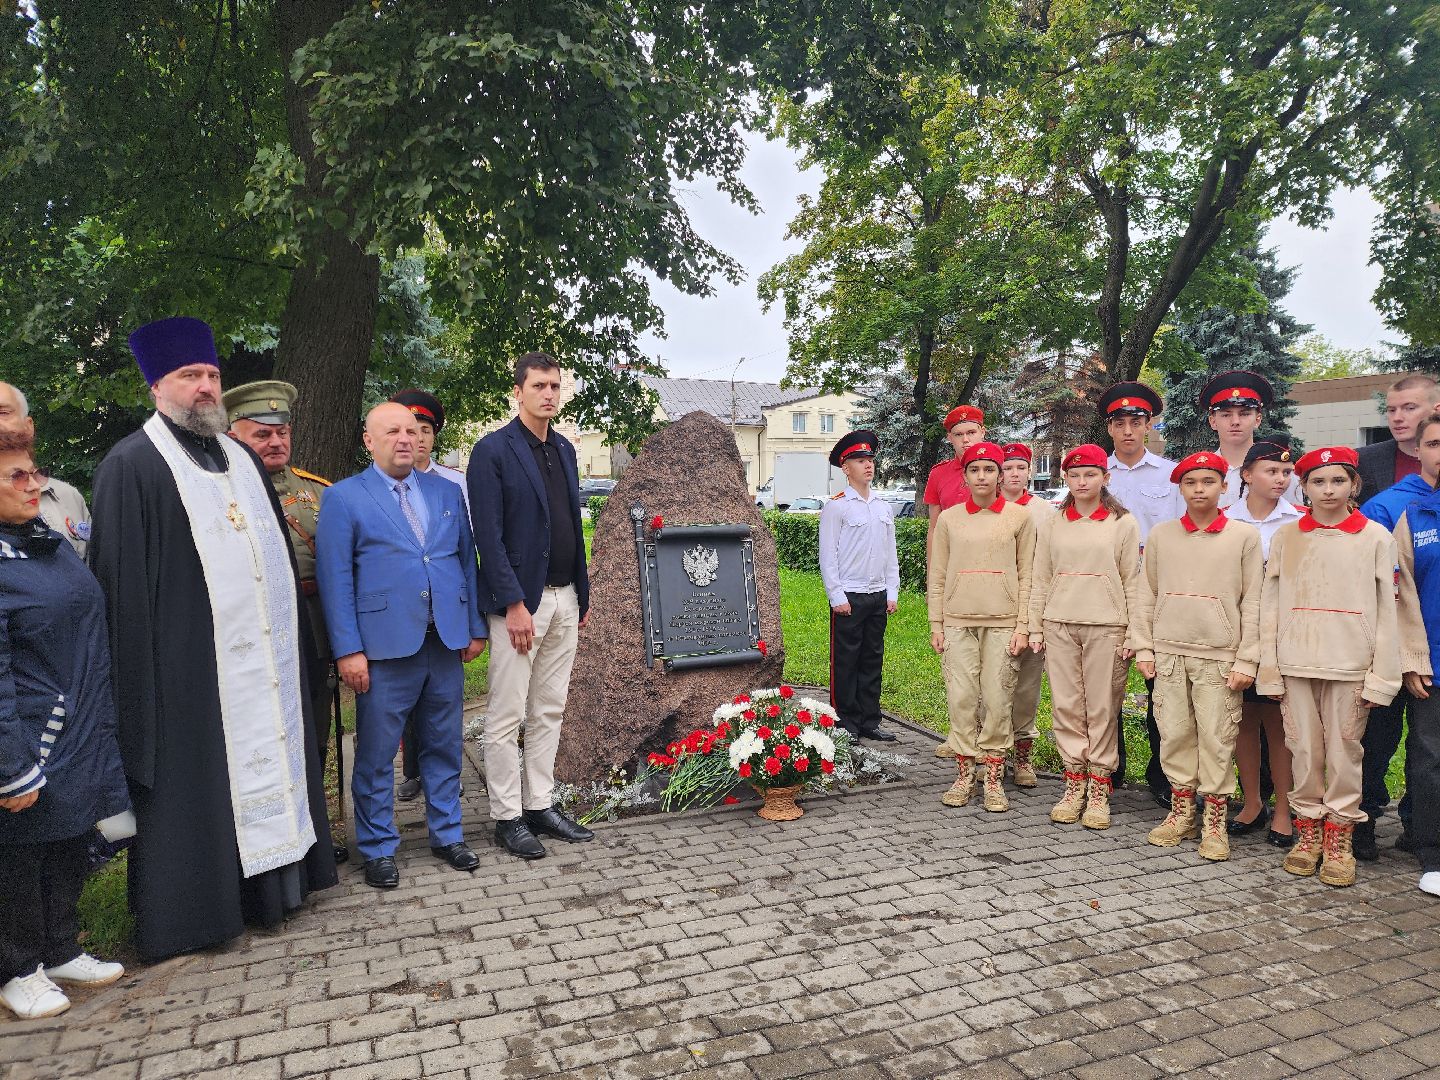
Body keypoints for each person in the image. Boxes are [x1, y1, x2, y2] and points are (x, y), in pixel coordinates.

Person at [88, 317, 336, 962]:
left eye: (212, 376)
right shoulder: (131, 465)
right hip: (189, 667)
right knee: (201, 786)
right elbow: (121, 590)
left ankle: (277, 892)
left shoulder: (242, 456)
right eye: (189, 376)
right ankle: (206, 911)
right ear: (156, 387)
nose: (204, 388)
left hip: (264, 659)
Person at [317, 403, 487, 889]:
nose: (405, 439)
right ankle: (376, 846)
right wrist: (348, 649)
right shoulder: (345, 498)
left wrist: (474, 625)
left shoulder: (445, 491)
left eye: (412, 431)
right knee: (375, 753)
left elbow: (464, 562)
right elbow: (335, 579)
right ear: (368, 440)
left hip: (444, 641)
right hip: (383, 649)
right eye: (392, 431)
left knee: (443, 744)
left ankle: (447, 833)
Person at [0, 430, 130, 1020]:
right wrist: (10, 765)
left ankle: (57, 949)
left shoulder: (44, 543)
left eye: (35, 472)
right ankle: (15, 968)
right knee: (18, 857)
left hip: (77, 725)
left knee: (65, 842)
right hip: (25, 734)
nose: (34, 485)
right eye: (16, 477)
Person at [468, 353, 593, 860]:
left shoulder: (563, 449)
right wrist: (513, 603)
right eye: (539, 386)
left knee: (550, 708)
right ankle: (507, 815)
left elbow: (569, 524)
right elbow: (488, 537)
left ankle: (540, 803)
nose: (549, 394)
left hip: (565, 598)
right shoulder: (493, 451)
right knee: (505, 715)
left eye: (555, 386)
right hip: (521, 605)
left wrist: (581, 594)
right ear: (516, 392)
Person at [1258, 446, 1401, 887]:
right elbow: (1269, 604)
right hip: (1297, 661)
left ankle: (1339, 836)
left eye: (1337, 480)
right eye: (1318, 482)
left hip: (1350, 664)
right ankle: (1308, 833)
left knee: (1344, 753)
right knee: (1303, 750)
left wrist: (1382, 676)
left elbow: (1389, 609)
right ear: (1305, 487)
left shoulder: (1375, 537)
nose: (1328, 490)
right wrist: (1270, 667)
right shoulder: (1287, 537)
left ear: (1353, 485)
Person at [223, 380, 347, 864]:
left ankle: (313, 829)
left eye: (282, 433)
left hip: (312, 629)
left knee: (312, 730)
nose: (275, 443)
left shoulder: (320, 494)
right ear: (234, 435)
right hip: (251, 635)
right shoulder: (223, 494)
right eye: (261, 435)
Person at [1143, 451, 1262, 862]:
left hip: (1219, 655)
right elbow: (1147, 593)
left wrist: (1247, 659)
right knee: (1174, 732)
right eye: (1190, 483)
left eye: (1208, 482)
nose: (1199, 490)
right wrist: (1145, 646)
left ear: (1223, 486)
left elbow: (1254, 602)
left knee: (1216, 736)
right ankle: (1182, 813)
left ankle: (1214, 819)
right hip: (1170, 652)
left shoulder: (1243, 537)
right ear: (1180, 488)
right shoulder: (1161, 535)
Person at [1029, 444, 1152, 830]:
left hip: (1107, 625)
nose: (1082, 482)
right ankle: (1074, 782)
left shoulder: (1123, 522)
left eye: (1090, 474)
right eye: (1075, 475)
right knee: (1066, 705)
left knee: (1101, 708)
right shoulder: (1053, 521)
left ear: (1105, 477)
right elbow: (1040, 576)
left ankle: (1099, 787)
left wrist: (1135, 633)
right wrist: (1035, 625)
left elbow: (1134, 580)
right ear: (1065, 478)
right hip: (1059, 622)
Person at [928, 442, 1034, 813]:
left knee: (998, 697)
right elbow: (938, 574)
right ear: (966, 475)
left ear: (1001, 474)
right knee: (960, 697)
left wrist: (1024, 624)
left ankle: (993, 775)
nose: (982, 477)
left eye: (990, 470)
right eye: (975, 470)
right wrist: (936, 622)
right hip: (958, 621)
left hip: (1004, 622)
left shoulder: (1020, 519)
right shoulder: (950, 519)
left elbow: (1028, 574)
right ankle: (964, 772)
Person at [1354, 409, 1440, 858]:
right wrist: (1405, 656)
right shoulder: (1389, 506)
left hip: (1437, 656)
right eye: (1434, 444)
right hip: (1389, 650)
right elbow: (1388, 589)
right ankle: (1363, 822)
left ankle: (1419, 831)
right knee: (1375, 742)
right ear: (1418, 450)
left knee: (1430, 755)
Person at [1099, 381, 1182, 804]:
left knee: (1161, 690)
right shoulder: (1096, 476)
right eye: (1120, 423)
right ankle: (1108, 768)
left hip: (1158, 593)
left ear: (1149, 426)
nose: (1129, 430)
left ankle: (1164, 775)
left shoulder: (1172, 475)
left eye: (1137, 422)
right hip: (1109, 595)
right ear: (1110, 428)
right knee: (1105, 686)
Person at [1223, 438, 1303, 849]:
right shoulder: (1224, 519)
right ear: (1247, 475)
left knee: (1279, 726)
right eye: (1271, 471)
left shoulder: (1300, 519)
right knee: (1243, 723)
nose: (1280, 479)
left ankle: (1286, 810)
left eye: (1286, 472)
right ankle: (1252, 802)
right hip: (1235, 635)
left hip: (1281, 637)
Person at [389, 389, 468, 802]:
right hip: (403, 612)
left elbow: (466, 550)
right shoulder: (382, 487)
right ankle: (413, 769)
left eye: (425, 431)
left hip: (445, 612)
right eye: (410, 430)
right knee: (406, 699)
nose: (417, 439)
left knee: (443, 699)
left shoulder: (454, 484)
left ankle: (444, 774)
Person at [819, 430, 900, 743]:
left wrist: (891, 592)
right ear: (845, 468)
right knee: (846, 661)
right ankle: (846, 722)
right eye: (860, 461)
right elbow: (828, 557)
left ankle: (869, 720)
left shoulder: (882, 506)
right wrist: (836, 595)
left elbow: (889, 554)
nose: (868, 465)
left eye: (870, 460)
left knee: (871, 658)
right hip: (849, 597)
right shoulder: (836, 507)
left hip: (877, 595)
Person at [1393, 454, 1440, 896]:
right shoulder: (1417, 516)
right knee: (1428, 759)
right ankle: (1433, 852)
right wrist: (1410, 657)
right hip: (1434, 662)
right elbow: (1402, 592)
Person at [999, 442, 1055, 786]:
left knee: (1026, 687)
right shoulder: (988, 508)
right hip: (998, 608)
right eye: (1008, 467)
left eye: (1021, 467)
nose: (1015, 474)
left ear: (1030, 471)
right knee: (989, 688)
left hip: (1034, 607)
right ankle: (989, 753)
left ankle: (1022, 757)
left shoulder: (1044, 510)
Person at [0, 383, 91, 558]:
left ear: (28, 426)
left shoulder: (68, 497)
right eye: (16, 477)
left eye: (3, 413)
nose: (32, 486)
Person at [1201, 370, 1301, 509]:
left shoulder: (1282, 473)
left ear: (1257, 420)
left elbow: (1293, 523)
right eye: (1226, 415)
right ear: (1213, 421)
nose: (1235, 421)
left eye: (1244, 414)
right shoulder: (1198, 472)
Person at [1357, 373, 1440, 499]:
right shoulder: (1362, 461)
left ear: (1437, 409)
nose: (1397, 418)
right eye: (1391, 410)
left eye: (1410, 408)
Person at [923, 405, 987, 555]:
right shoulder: (938, 473)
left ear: (982, 432)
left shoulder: (1000, 470)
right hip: (953, 557)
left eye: (971, 432)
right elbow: (934, 529)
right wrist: (932, 575)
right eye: (958, 434)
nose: (965, 440)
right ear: (949, 437)